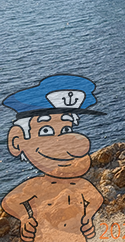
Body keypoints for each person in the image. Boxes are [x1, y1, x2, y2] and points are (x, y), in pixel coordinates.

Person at [1, 75, 105, 242]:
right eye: (46, 131)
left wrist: (88, 216)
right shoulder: (36, 186)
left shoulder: (80, 184)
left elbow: (96, 198)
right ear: (17, 140)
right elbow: (9, 201)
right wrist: (25, 218)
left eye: (66, 129)